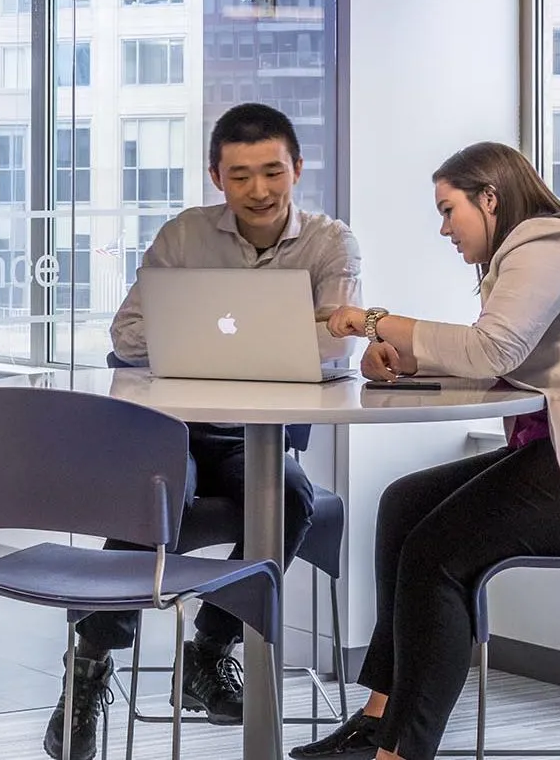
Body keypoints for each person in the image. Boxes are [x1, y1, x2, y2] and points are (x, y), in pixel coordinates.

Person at [294, 142, 560, 760]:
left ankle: (401, 752)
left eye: (448, 210)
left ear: (489, 197)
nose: (443, 228)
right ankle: (379, 721)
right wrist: (408, 365)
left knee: (438, 552)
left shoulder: (549, 244)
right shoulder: (522, 259)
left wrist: (373, 321)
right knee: (405, 502)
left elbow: (493, 351)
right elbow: (507, 363)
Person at [46, 103, 370, 760]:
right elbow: (126, 332)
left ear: (297, 169)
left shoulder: (331, 243)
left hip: (260, 432)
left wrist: (225, 338)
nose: (258, 189)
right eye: (240, 174)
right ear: (216, 175)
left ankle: (210, 646)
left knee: (293, 498)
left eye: (272, 171)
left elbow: (339, 347)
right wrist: (268, 339)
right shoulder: (183, 236)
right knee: (154, 495)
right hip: (175, 426)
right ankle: (90, 667)